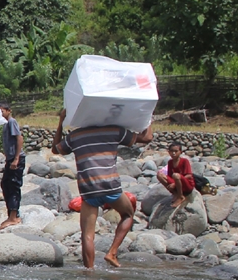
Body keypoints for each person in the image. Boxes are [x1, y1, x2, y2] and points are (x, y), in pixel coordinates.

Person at [52, 107, 154, 268]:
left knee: (87, 235)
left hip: (88, 188)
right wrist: (147, 116)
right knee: (128, 214)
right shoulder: (114, 131)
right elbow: (147, 138)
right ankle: (112, 252)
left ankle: (89, 273)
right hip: (110, 186)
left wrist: (60, 123)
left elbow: (55, 149)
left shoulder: (75, 136)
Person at [0, 103, 25, 226]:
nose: (0, 113)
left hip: (16, 159)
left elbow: (19, 139)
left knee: (13, 185)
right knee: (6, 184)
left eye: (2, 111)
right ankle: (13, 214)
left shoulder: (11, 122)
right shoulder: (5, 124)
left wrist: (16, 159)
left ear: (8, 111)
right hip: (11, 158)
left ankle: (13, 217)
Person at [157, 142, 194, 208]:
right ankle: (176, 193)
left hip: (186, 185)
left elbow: (189, 175)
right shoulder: (170, 162)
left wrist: (174, 184)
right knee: (160, 175)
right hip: (177, 183)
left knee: (176, 175)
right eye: (171, 151)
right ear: (169, 152)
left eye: (176, 151)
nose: (173, 153)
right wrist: (172, 183)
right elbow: (169, 176)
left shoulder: (184, 161)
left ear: (180, 152)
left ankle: (180, 197)